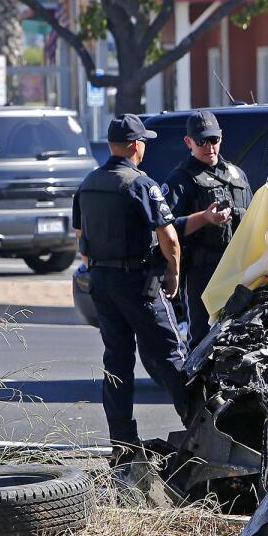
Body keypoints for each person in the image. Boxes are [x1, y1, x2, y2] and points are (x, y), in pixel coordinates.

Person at [72, 114, 188, 458]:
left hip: (102, 283)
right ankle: (202, 433)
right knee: (171, 357)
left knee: (117, 363)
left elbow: (81, 238)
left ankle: (122, 447)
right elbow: (169, 237)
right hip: (137, 282)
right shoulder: (141, 183)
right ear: (136, 146)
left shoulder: (89, 183)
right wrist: (174, 273)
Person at [162, 110, 252, 344]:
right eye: (201, 141)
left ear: (221, 137)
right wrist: (204, 217)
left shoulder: (237, 175)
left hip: (238, 268)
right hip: (202, 272)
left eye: (214, 140)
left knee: (241, 335)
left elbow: (255, 216)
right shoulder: (180, 179)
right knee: (203, 338)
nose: (209, 147)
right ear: (188, 142)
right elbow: (166, 229)